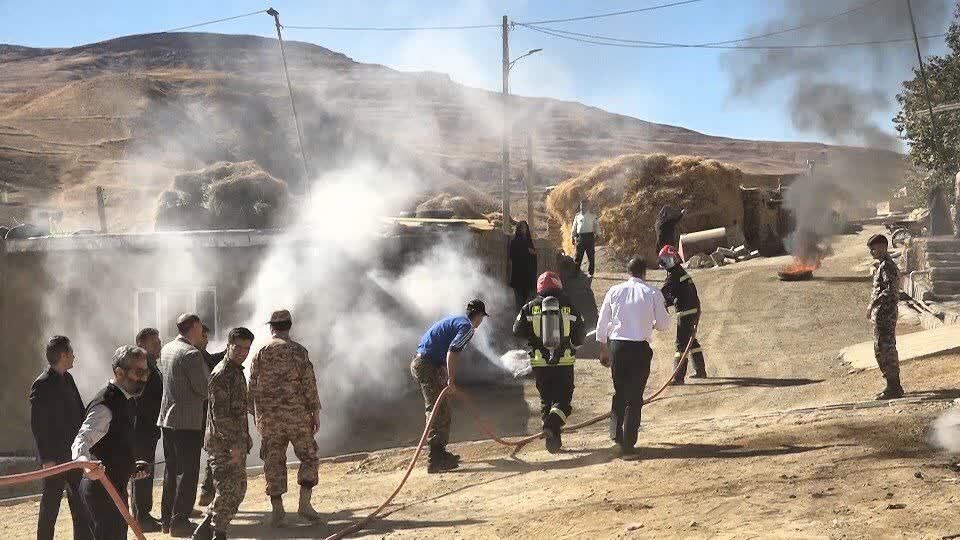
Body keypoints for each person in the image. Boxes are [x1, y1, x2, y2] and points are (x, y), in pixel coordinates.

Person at [248, 309, 324, 527]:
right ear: (289, 326)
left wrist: (255, 414)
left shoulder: (260, 352)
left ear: (272, 327)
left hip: (269, 420)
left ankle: (277, 510)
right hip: (298, 416)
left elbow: (251, 385)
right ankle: (305, 504)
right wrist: (315, 412)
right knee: (309, 457)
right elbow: (309, 384)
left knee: (273, 461)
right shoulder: (299, 352)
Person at [72, 346, 152, 540]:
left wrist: (129, 466)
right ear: (119, 372)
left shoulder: (124, 399)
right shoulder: (106, 404)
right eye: (138, 372)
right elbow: (81, 440)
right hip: (101, 492)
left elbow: (113, 444)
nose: (143, 379)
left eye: (146, 372)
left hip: (114, 488)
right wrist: (87, 466)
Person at [596, 257, 670, 454]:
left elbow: (602, 321)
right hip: (639, 349)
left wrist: (603, 348)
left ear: (628, 272)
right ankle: (629, 442)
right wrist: (651, 323)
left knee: (620, 391)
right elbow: (664, 324)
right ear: (644, 273)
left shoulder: (614, 290)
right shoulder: (653, 292)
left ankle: (615, 434)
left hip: (618, 347)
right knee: (635, 396)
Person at [411, 299, 488, 473]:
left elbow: (435, 345)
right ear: (479, 317)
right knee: (438, 410)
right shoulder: (467, 328)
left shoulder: (457, 321)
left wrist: (442, 370)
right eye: (481, 319)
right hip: (425, 364)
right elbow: (453, 350)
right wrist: (451, 380)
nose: (480, 323)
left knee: (441, 408)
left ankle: (439, 453)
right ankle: (435, 459)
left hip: (423, 362)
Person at [193, 328, 255, 540]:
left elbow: (237, 411)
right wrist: (233, 446)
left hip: (233, 441)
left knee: (235, 489)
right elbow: (220, 417)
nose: (242, 352)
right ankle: (218, 534)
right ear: (228, 345)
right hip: (223, 445)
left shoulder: (237, 371)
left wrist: (245, 436)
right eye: (238, 347)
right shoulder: (222, 374)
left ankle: (202, 532)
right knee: (230, 490)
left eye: (246, 348)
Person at [30, 336, 93, 540]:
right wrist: (47, 459)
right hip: (54, 458)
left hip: (72, 454)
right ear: (63, 355)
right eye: (71, 352)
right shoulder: (42, 384)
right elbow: (39, 425)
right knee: (50, 506)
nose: (74, 355)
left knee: (80, 504)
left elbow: (79, 413)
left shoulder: (68, 378)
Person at [513, 272, 584, 452]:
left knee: (547, 401)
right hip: (564, 362)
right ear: (558, 285)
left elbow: (517, 331)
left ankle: (552, 444)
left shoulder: (529, 307)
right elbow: (580, 335)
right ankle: (551, 426)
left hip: (539, 363)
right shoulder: (568, 306)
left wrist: (533, 338)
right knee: (563, 402)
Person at [158, 313, 212, 536]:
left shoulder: (168, 348)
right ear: (195, 326)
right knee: (188, 473)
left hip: (168, 419)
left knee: (171, 471)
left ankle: (167, 519)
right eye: (200, 326)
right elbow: (203, 388)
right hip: (187, 422)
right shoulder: (191, 354)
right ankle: (180, 521)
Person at [658, 245, 707, 384]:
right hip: (692, 310)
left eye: (664, 261)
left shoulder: (674, 275)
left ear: (670, 260)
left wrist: (661, 305)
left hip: (685, 312)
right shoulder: (680, 272)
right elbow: (675, 294)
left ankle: (678, 378)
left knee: (680, 344)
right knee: (692, 341)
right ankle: (700, 370)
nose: (662, 264)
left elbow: (663, 294)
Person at [131, 327, 164, 532]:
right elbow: (138, 400)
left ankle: (144, 513)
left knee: (146, 471)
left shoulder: (151, 365)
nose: (158, 347)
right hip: (140, 429)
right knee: (141, 472)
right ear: (141, 344)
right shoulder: (140, 367)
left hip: (149, 428)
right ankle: (140, 517)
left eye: (159, 343)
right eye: (154, 344)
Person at [867, 234, 904, 400]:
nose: (872, 252)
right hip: (882, 315)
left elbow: (890, 291)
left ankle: (893, 387)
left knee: (886, 349)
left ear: (883, 247)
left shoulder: (887, 266)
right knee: (882, 349)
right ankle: (893, 385)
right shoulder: (882, 266)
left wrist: (873, 304)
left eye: (873, 249)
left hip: (885, 314)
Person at [197, 325, 219, 510]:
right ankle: (207, 491)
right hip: (202, 412)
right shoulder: (194, 355)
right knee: (213, 452)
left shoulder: (202, 354)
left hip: (205, 412)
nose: (207, 340)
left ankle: (207, 491)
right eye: (204, 336)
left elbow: (212, 360)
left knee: (211, 452)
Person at [509, 220, 538, 310]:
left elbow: (534, 259)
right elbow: (513, 256)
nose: (523, 229)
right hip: (518, 278)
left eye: (525, 227)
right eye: (521, 227)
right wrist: (527, 251)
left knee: (530, 305)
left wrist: (532, 253)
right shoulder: (514, 242)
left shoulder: (529, 242)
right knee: (520, 305)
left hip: (529, 279)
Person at [572, 201, 600, 277]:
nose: (583, 207)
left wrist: (597, 235)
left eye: (584, 206)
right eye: (581, 206)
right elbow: (574, 226)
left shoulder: (592, 215)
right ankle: (576, 272)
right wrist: (572, 236)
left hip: (589, 237)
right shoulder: (577, 216)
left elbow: (597, 225)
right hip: (580, 237)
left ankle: (591, 273)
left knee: (590, 256)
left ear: (588, 206)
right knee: (578, 256)